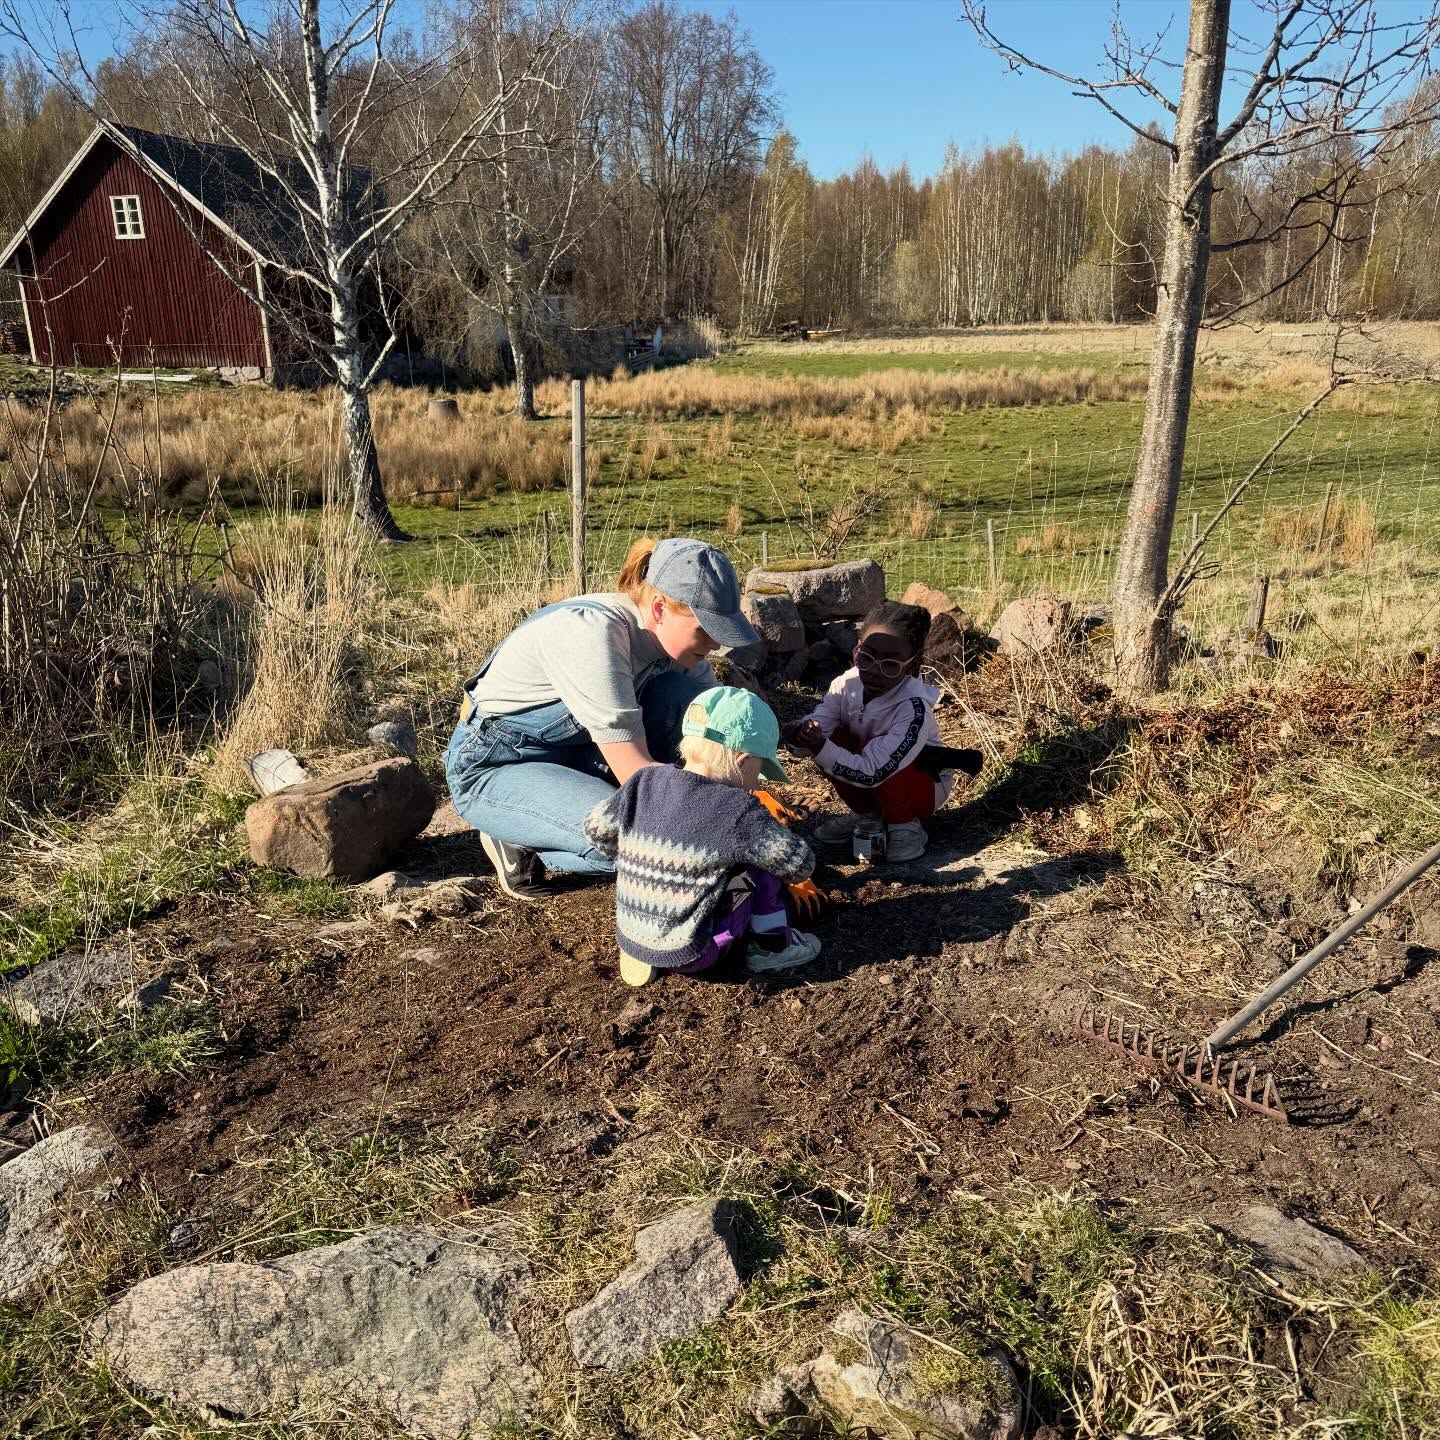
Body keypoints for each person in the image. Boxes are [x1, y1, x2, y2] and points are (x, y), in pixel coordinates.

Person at [445, 537, 761, 900]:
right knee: (633, 844)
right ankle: (517, 833)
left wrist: (754, 791)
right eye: (705, 630)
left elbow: (723, 724)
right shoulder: (594, 636)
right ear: (659, 608)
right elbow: (641, 777)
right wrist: (725, 826)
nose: (715, 645)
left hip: (576, 751)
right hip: (496, 764)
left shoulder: (669, 642)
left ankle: (569, 804)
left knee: (684, 701)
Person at [584, 686, 821, 985]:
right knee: (760, 868)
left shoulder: (645, 780)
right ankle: (772, 947)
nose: (757, 783)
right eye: (760, 771)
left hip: (632, 933)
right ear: (743, 760)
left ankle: (647, 949)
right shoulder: (738, 810)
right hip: (697, 950)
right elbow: (799, 865)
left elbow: (596, 832)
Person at [785, 600, 960, 862]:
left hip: (920, 786)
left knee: (855, 748)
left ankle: (905, 825)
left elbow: (876, 770)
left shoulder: (913, 707)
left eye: (890, 664)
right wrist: (800, 735)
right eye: (866, 657)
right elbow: (821, 721)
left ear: (913, 664)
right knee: (825, 735)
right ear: (857, 648)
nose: (874, 671)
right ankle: (867, 814)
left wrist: (821, 746)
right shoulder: (846, 684)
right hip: (871, 774)